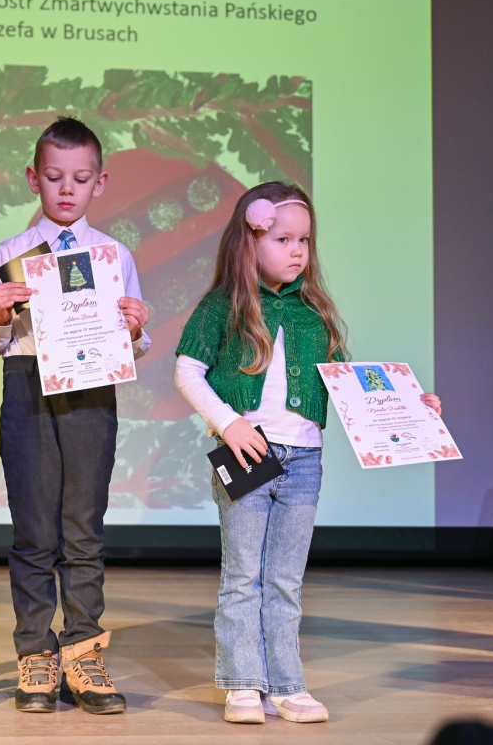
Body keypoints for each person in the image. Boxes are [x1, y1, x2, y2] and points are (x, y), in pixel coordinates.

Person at [173, 182, 443, 725]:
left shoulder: (313, 311)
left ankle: (286, 685)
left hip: (304, 461)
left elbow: (348, 385)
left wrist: (412, 407)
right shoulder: (224, 305)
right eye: (283, 239)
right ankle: (243, 684)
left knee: (285, 580)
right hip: (247, 456)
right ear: (250, 240)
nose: (297, 251)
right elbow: (187, 371)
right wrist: (229, 423)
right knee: (243, 576)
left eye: (304, 240)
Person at [0, 118, 151, 715]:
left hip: (91, 391)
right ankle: (35, 654)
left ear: (100, 183)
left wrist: (134, 327)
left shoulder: (113, 255)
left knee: (83, 527)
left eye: (80, 178)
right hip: (27, 385)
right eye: (54, 177)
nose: (67, 189)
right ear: (34, 179)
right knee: (33, 531)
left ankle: (83, 651)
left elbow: (133, 345)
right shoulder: (11, 253)